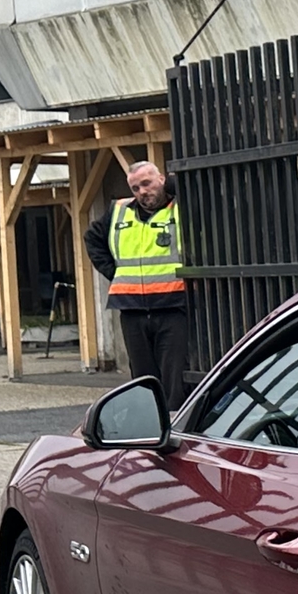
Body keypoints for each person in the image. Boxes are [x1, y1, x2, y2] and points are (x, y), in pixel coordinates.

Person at [85, 160, 187, 414]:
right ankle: (149, 425)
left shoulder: (179, 208)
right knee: (142, 380)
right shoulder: (119, 211)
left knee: (174, 378)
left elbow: (193, 188)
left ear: (161, 179)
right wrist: (114, 272)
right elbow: (92, 238)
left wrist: (171, 183)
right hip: (132, 308)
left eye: (147, 183)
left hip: (172, 305)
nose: (142, 192)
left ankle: (175, 426)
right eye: (135, 188)